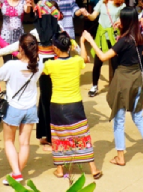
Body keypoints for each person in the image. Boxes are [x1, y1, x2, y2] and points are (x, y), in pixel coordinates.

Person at [82, 8, 143, 167]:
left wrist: (90, 40)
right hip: (136, 78)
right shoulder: (139, 38)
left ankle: (120, 156)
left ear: (124, 21)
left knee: (119, 119)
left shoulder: (124, 41)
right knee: (138, 117)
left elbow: (103, 57)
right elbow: (137, 51)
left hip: (123, 79)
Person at [0, 0, 63, 151]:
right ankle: (47, 136)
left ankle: (52, 137)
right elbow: (19, 44)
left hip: (50, 70)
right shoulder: (42, 31)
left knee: (49, 101)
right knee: (46, 101)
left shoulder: (57, 29)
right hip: (44, 70)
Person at [43, 31, 101, 180]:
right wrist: (80, 42)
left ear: (55, 48)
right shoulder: (76, 61)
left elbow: (39, 70)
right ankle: (93, 168)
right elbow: (85, 58)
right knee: (82, 134)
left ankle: (60, 169)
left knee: (58, 136)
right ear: (69, 46)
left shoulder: (50, 64)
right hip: (75, 104)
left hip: (57, 104)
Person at [0, 34, 43, 186]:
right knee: (25, 143)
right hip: (30, 108)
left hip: (14, 108)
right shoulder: (39, 64)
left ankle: (16, 173)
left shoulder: (11, 65)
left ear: (20, 47)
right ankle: (17, 173)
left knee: (9, 141)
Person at [75, 0, 124, 97]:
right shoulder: (102, 3)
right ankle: (94, 86)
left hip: (114, 37)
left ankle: (117, 87)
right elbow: (93, 17)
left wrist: (119, 24)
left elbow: (123, 22)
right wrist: (87, 14)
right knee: (97, 63)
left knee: (115, 64)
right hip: (101, 36)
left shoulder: (122, 5)